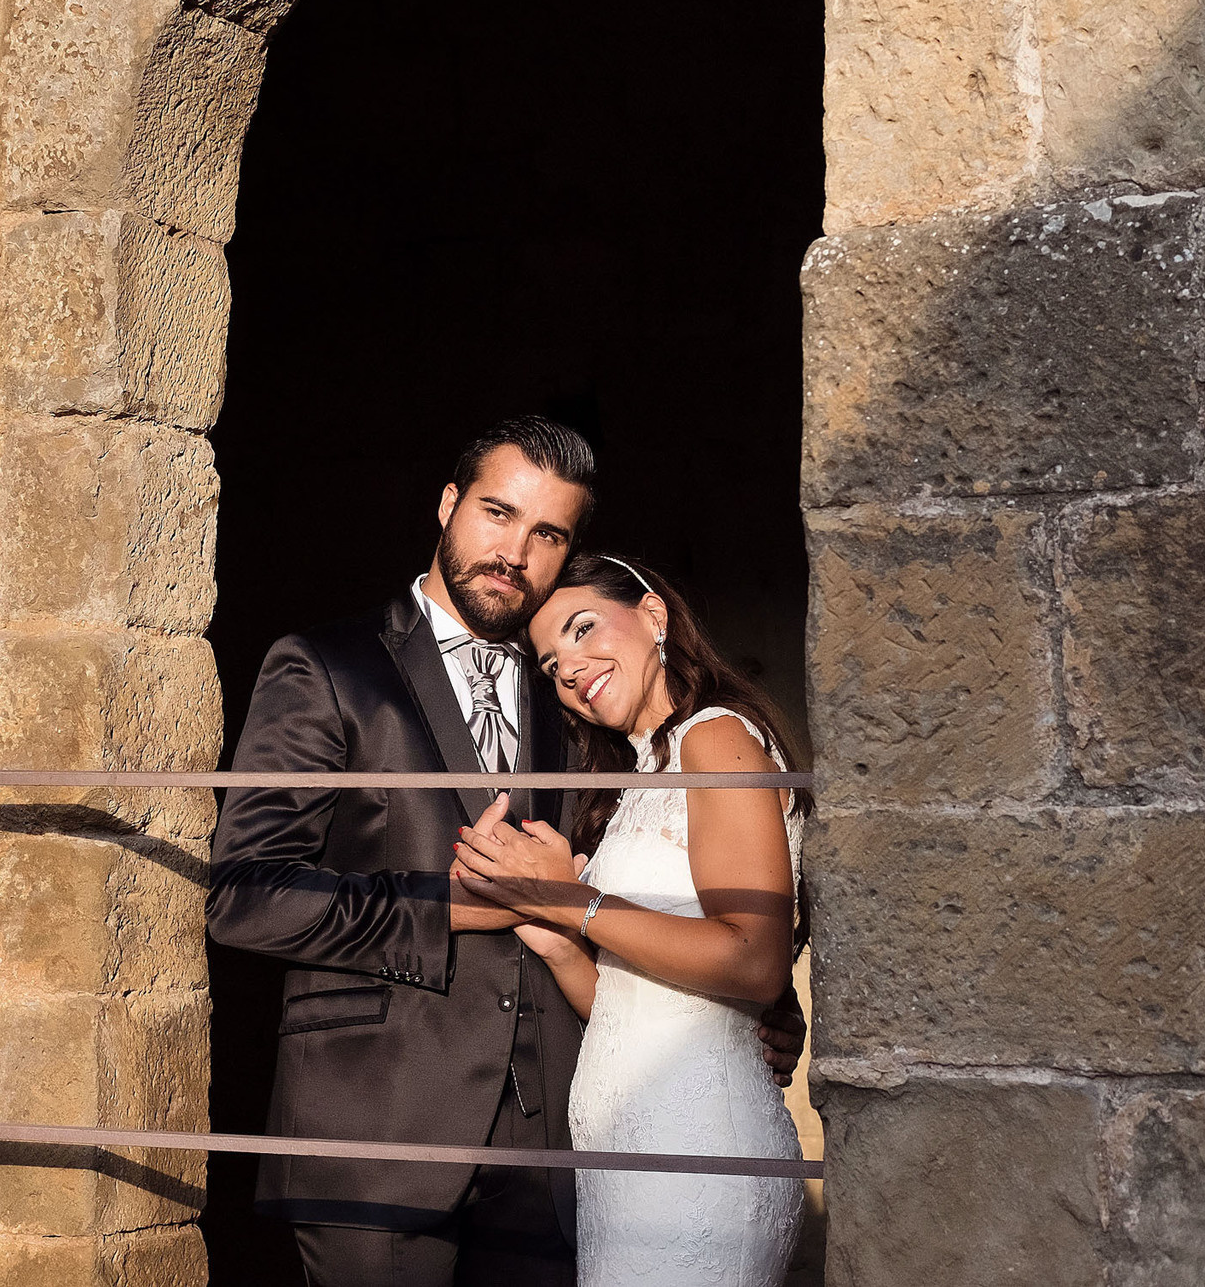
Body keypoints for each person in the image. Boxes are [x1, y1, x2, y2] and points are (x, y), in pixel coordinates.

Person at [208, 419, 803, 1287]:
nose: (514, 551)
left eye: (548, 534)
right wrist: (453, 905)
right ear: (448, 506)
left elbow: (695, 874)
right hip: (381, 1135)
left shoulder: (575, 694)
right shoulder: (326, 667)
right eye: (496, 512)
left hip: (557, 1147)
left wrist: (752, 1008)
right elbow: (247, 894)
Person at [452, 553, 810, 1287]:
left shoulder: (717, 737)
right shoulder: (642, 775)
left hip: (699, 1156)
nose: (572, 668)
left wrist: (572, 901)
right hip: (626, 1163)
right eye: (552, 664)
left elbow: (755, 959)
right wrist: (560, 944)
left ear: (654, 615)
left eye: (584, 629)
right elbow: (631, 1006)